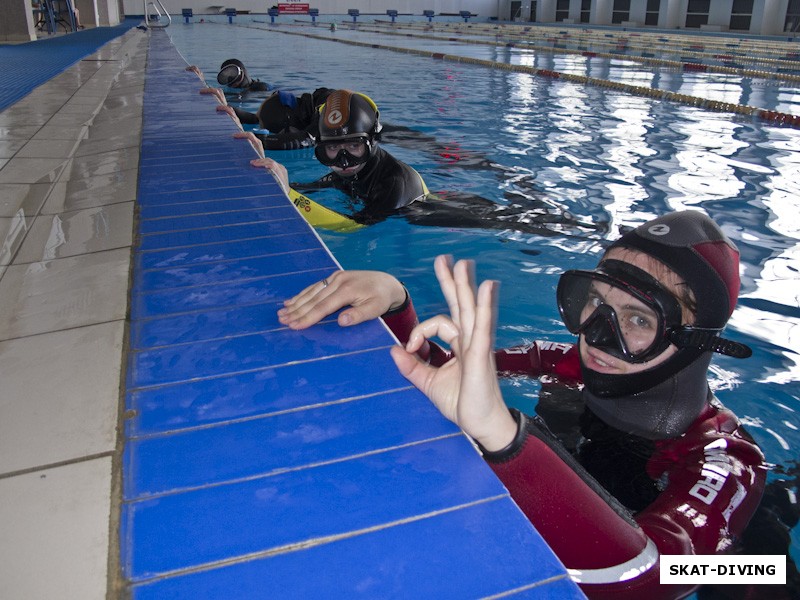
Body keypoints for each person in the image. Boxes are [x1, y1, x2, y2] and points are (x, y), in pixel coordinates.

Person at [278, 211, 767, 599]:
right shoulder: (556, 363)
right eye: (595, 302)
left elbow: (646, 577)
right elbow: (451, 377)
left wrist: (504, 437)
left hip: (723, 558)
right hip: (573, 509)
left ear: (695, 342)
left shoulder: (725, 459)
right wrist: (394, 302)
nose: (594, 335)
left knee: (762, 571)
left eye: (638, 320)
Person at [252, 89, 429, 223]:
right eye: (333, 147)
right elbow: (311, 186)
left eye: (354, 145)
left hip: (434, 219)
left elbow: (353, 227)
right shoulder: (355, 171)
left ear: (373, 141)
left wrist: (292, 197)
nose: (344, 161)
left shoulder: (394, 182)